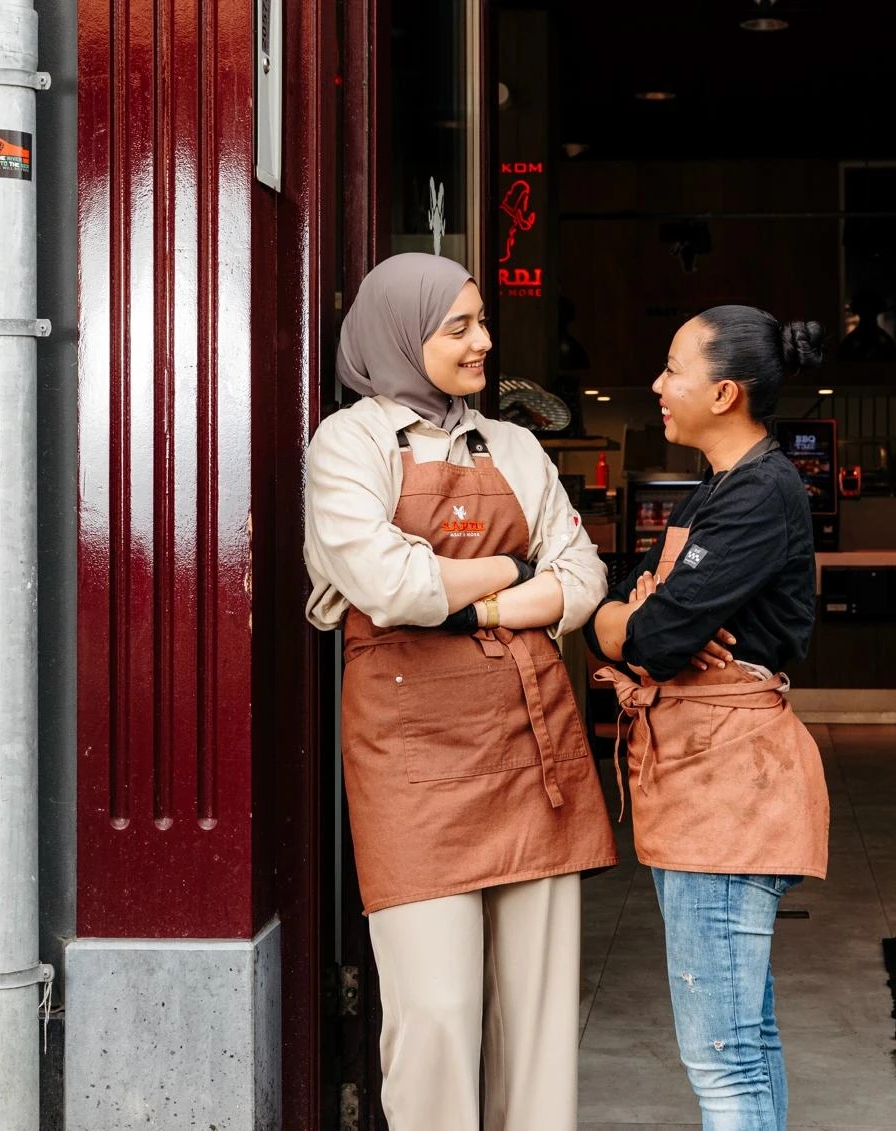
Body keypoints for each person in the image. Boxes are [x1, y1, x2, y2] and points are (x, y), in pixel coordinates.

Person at [303, 252, 617, 1131]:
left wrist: (469, 598)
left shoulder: (514, 444)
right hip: (411, 759)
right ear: (403, 336)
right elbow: (386, 582)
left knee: (537, 1027)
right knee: (435, 1015)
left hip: (530, 746)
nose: (484, 341)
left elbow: (584, 574)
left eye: (482, 321)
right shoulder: (349, 442)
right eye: (460, 327)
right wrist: (517, 574)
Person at [584, 305, 832, 1131]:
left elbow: (647, 634)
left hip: (727, 790)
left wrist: (636, 617)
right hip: (705, 784)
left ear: (724, 392)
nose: (656, 385)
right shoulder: (722, 486)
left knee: (722, 1058)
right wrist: (633, 614)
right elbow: (624, 610)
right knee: (744, 1043)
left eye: (672, 369)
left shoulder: (761, 492)